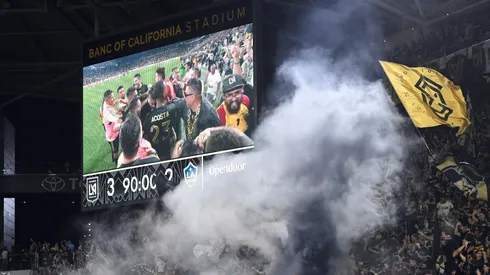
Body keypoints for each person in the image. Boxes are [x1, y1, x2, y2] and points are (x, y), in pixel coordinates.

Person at [143, 81, 179, 161]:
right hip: (166, 146)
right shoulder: (172, 109)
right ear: (163, 94)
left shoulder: (148, 118)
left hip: (155, 151)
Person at [102, 90, 122, 163]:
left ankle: (115, 159)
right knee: (115, 151)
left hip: (114, 130)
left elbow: (111, 109)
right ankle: (116, 162)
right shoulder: (106, 112)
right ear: (107, 100)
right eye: (112, 98)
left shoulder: (105, 103)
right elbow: (118, 120)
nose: (114, 99)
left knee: (116, 148)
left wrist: (114, 105)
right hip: (112, 136)